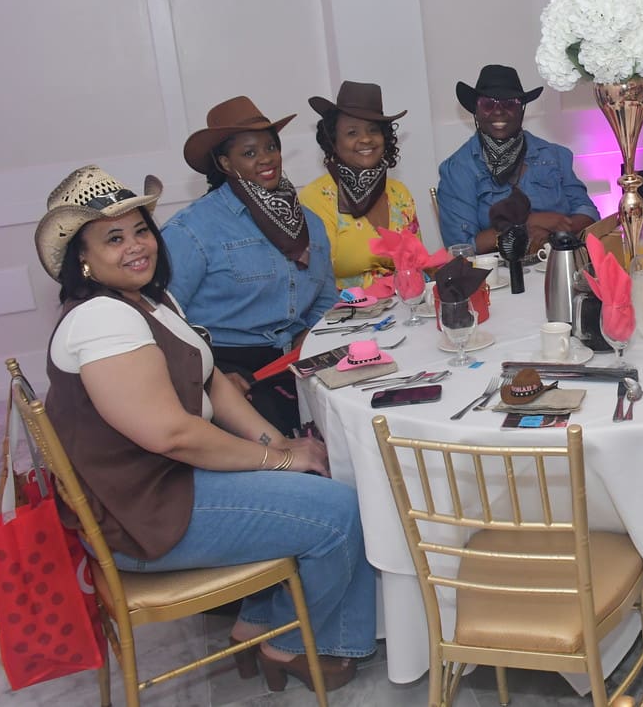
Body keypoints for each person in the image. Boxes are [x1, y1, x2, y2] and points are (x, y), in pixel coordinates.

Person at [35, 166, 374, 692]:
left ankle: (258, 621)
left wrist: (280, 442)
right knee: (340, 512)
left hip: (170, 484)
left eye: (141, 230)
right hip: (144, 513)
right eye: (114, 238)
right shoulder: (101, 320)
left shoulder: (149, 299)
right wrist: (282, 461)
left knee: (323, 473)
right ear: (83, 257)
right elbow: (173, 434)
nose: (136, 247)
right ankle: (292, 646)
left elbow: (212, 381)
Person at [163, 97, 339, 436]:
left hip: (294, 361)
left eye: (271, 146)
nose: (267, 159)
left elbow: (325, 298)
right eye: (249, 153)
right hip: (226, 367)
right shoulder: (192, 229)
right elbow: (163, 318)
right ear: (226, 163)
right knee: (290, 462)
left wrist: (308, 343)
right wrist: (208, 380)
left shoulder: (310, 224)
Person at [438, 64, 600, 253]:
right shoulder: (458, 169)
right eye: (488, 104)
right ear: (476, 110)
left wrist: (556, 232)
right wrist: (524, 226)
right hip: (497, 277)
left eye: (509, 104)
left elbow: (588, 212)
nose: (499, 111)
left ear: (521, 109)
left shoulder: (554, 155)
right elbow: (461, 248)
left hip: (558, 263)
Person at [299, 80, 420, 289]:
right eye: (352, 132)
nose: (365, 139)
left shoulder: (399, 193)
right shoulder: (315, 198)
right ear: (334, 141)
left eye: (373, 130)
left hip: (405, 310)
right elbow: (316, 281)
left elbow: (418, 264)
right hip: (346, 316)